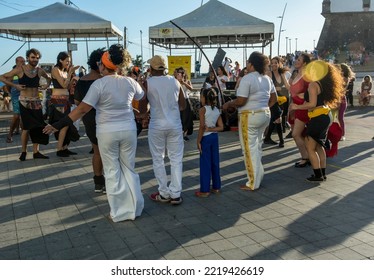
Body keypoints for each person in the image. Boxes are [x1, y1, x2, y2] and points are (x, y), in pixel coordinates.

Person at [43, 44, 144, 222]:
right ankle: (134, 208)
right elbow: (142, 97)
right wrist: (142, 113)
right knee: (129, 169)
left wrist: (58, 125)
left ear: (103, 66)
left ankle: (119, 212)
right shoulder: (130, 81)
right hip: (128, 130)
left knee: (112, 171)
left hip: (107, 132)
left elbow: (81, 109)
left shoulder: (99, 84)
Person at [222, 51, 277, 191]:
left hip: (249, 116)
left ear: (251, 64)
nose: (246, 65)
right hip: (265, 114)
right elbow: (274, 99)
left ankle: (253, 182)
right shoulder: (267, 78)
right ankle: (258, 175)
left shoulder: (247, 79)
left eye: (248, 62)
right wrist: (263, 107)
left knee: (249, 149)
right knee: (257, 147)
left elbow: (241, 100)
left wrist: (229, 104)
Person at [290, 60, 344, 182]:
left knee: (310, 148)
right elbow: (314, 97)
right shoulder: (321, 84)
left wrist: (296, 107)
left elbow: (312, 103)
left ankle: (318, 175)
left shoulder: (313, 84)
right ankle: (322, 173)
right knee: (319, 146)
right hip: (325, 116)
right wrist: (301, 96)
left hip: (318, 118)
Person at [145, 55, 186, 205]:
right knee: (176, 159)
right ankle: (175, 194)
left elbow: (143, 106)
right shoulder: (175, 81)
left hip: (157, 125)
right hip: (174, 124)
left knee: (158, 159)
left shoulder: (147, 83)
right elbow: (183, 105)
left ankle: (163, 192)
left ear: (151, 68)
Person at [0, 48, 51, 161]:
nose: (35, 60)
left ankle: (36, 152)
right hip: (24, 102)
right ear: (28, 58)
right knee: (26, 128)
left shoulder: (39, 70)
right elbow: (2, 77)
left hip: (36, 102)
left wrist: (46, 86)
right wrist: (15, 86)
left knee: (38, 127)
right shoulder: (20, 69)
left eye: (37, 58)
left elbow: (49, 78)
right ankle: (23, 152)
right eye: (33, 57)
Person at [74, 48, 106, 194]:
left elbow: (77, 102)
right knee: (111, 152)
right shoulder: (104, 80)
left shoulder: (81, 81)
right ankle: (112, 182)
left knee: (97, 151)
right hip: (105, 118)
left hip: (88, 118)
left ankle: (98, 183)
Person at [50, 51, 80, 157]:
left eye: (69, 61)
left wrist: (72, 77)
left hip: (66, 99)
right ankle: (59, 149)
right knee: (64, 124)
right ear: (60, 60)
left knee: (67, 124)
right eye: (67, 61)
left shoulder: (65, 71)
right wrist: (69, 73)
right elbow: (63, 85)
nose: (68, 63)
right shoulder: (55, 70)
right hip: (58, 100)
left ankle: (64, 147)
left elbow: (67, 86)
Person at [195, 88, 224, 197]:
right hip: (214, 137)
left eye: (201, 96)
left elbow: (202, 127)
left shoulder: (203, 110)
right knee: (215, 162)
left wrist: (198, 141)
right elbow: (221, 127)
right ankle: (216, 187)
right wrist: (212, 129)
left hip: (206, 139)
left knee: (205, 163)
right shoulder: (216, 110)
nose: (200, 98)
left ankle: (205, 190)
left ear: (205, 98)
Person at [288, 53, 311, 168]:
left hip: (303, 107)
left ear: (305, 63)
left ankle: (306, 157)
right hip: (295, 107)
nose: (296, 61)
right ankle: (309, 155)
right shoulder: (297, 75)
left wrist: (300, 97)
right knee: (300, 134)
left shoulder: (306, 76)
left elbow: (310, 92)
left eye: (299, 60)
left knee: (296, 134)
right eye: (296, 59)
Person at [263, 56, 290, 148]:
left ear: (279, 64)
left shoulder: (282, 73)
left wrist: (280, 88)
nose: (274, 64)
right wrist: (274, 88)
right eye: (272, 62)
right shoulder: (269, 73)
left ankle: (267, 138)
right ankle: (281, 141)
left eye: (276, 62)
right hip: (273, 100)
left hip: (283, 100)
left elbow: (287, 86)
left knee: (275, 119)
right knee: (278, 118)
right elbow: (267, 87)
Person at [5, 57, 26, 143]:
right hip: (16, 96)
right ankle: (10, 134)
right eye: (21, 61)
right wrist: (11, 93)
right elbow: (7, 84)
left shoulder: (26, 71)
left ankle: (22, 133)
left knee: (22, 116)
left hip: (24, 96)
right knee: (17, 116)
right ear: (17, 62)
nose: (23, 63)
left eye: (24, 62)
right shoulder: (13, 72)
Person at [175, 67, 194, 141]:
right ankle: (179, 133)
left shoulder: (187, 81)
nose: (180, 75)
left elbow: (191, 88)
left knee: (186, 118)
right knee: (179, 117)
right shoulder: (174, 81)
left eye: (181, 73)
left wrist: (183, 83)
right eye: (178, 73)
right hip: (177, 101)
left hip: (186, 100)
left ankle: (185, 134)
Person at [337, 63, 354, 140]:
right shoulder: (339, 78)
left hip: (341, 100)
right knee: (335, 118)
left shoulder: (345, 79)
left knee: (340, 118)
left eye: (339, 69)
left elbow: (341, 89)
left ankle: (342, 134)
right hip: (337, 99)